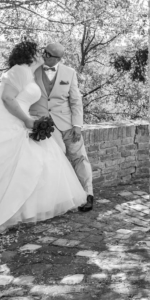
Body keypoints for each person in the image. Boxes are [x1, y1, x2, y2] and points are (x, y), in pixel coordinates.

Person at [0, 41, 87, 234]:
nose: (42, 54)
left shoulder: (29, 72)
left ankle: (32, 209)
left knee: (43, 160)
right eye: (38, 51)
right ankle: (5, 214)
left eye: (46, 52)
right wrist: (27, 120)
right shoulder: (19, 70)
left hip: (23, 121)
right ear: (29, 54)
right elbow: (7, 98)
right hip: (10, 123)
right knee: (20, 167)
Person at [30, 42, 94, 212]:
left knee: (79, 157)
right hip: (42, 125)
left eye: (49, 55)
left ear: (58, 58)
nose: (44, 56)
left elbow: (75, 100)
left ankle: (88, 194)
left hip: (67, 124)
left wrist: (77, 125)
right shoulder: (32, 70)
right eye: (44, 52)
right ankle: (62, 199)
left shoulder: (69, 72)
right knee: (55, 161)